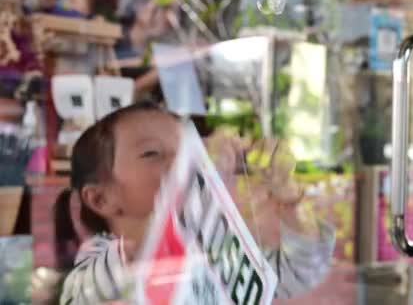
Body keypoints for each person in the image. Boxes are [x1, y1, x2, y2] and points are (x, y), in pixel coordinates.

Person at [53, 102, 335, 304]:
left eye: (187, 152)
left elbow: (299, 272)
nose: (180, 163)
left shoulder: (214, 248)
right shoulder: (100, 258)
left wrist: (289, 200)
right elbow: (81, 293)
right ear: (101, 199)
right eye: (152, 153)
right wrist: (190, 178)